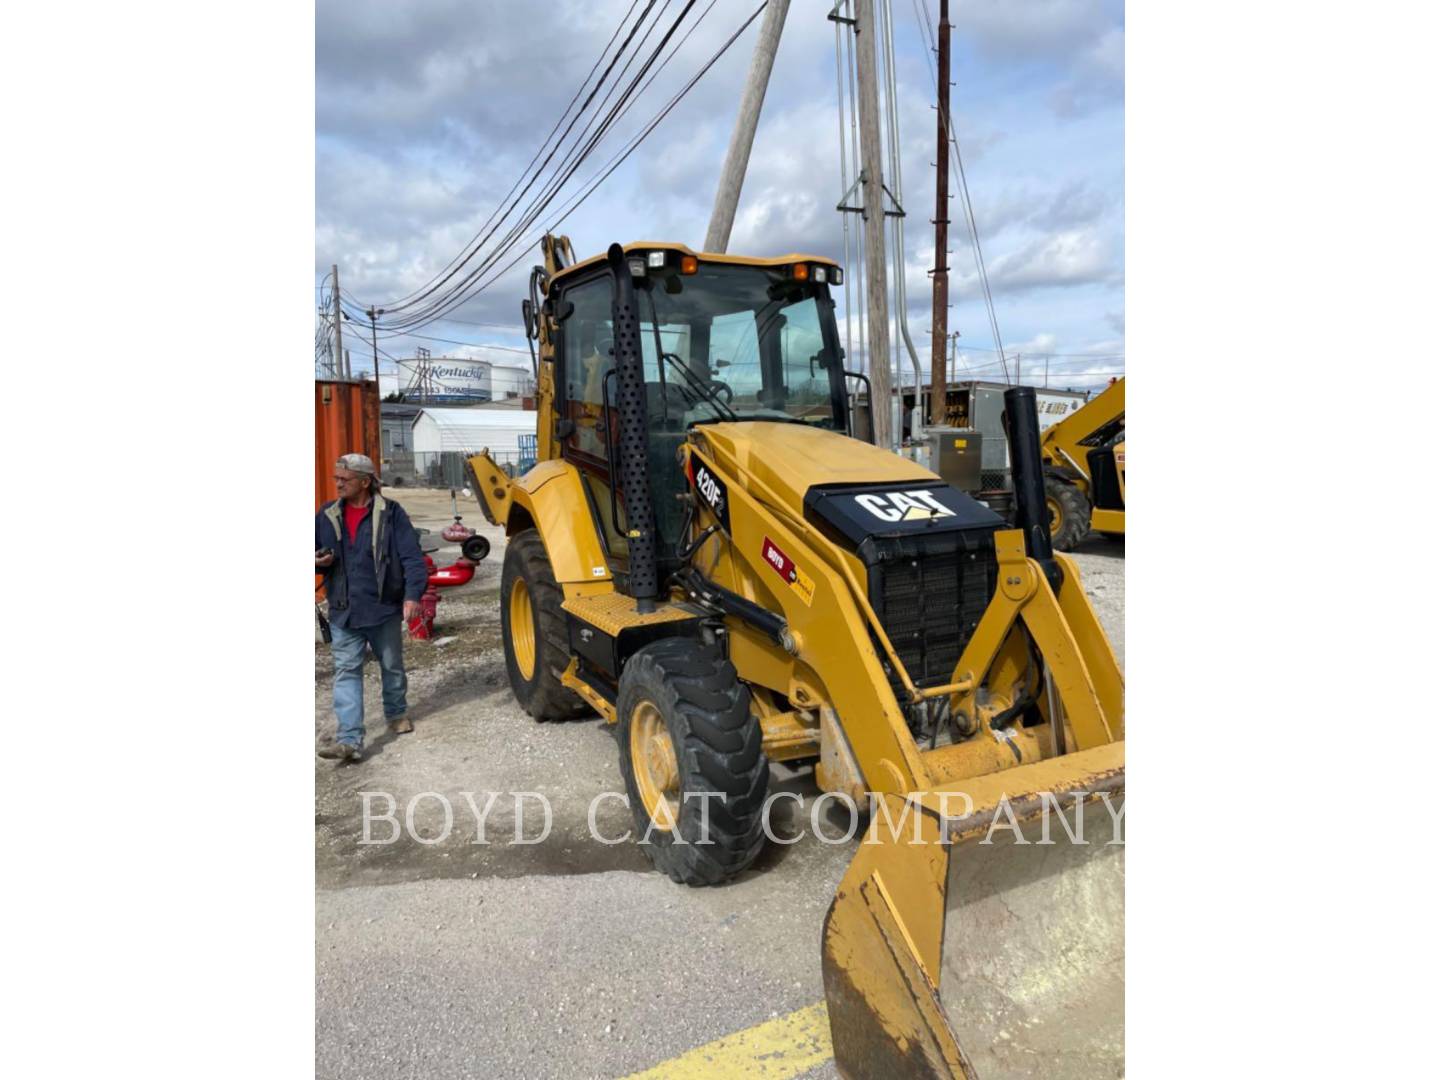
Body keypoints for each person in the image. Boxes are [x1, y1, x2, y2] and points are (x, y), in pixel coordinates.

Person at [315, 453, 429, 762]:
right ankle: (350, 739)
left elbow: (411, 558)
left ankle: (395, 712)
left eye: (345, 479)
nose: (338, 483)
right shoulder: (327, 514)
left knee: (391, 665)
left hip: (382, 608)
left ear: (365, 482)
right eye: (336, 478)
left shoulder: (391, 514)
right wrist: (317, 560)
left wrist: (413, 595)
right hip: (344, 610)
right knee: (346, 670)